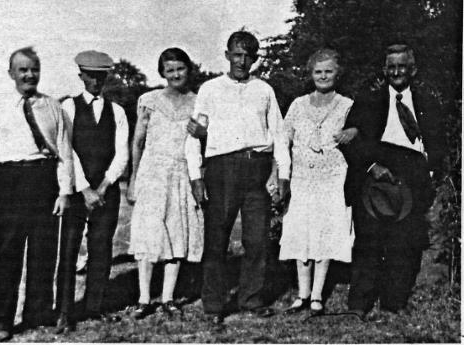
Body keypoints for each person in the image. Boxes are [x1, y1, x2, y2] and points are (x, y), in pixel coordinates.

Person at [0, 47, 73, 342]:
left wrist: (64, 192)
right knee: (7, 254)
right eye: (23, 70)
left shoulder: (54, 106)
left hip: (44, 181)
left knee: (43, 253)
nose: (30, 75)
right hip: (9, 182)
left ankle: (37, 312)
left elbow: (64, 151)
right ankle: (2, 320)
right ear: (11, 74)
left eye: (34, 69)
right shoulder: (0, 107)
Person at [187, 31, 287, 326]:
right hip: (221, 170)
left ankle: (251, 299)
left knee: (257, 240)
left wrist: (283, 175)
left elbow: (279, 135)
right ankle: (214, 304)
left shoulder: (264, 90)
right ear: (227, 54)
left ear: (255, 59)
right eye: (237, 54)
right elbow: (194, 136)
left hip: (257, 166)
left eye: (248, 56)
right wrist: (196, 177)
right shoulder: (209, 89)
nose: (242, 61)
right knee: (216, 239)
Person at [345, 44, 446, 319]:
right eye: (391, 66)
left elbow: (437, 140)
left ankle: (394, 301)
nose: (396, 72)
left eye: (402, 66)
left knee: (405, 243)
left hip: (412, 172)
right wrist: (371, 166)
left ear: (412, 69)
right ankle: (359, 303)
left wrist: (429, 170)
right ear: (384, 69)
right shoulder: (369, 99)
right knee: (369, 241)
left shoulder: (425, 100)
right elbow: (351, 138)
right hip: (377, 170)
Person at [278, 49, 357, 316]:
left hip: (332, 176)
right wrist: (283, 174)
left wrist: (352, 131)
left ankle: (316, 296)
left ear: (338, 73)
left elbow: (361, 130)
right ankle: (301, 294)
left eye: (328, 71)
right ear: (311, 74)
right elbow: (283, 138)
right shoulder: (298, 104)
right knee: (301, 233)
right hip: (302, 177)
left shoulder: (347, 104)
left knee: (324, 234)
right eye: (318, 72)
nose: (323, 76)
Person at [54, 50, 129, 333]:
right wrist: (85, 188)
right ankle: (64, 312)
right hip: (76, 189)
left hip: (106, 190)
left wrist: (104, 186)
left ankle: (94, 307)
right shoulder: (68, 108)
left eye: (101, 76)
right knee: (70, 249)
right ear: (81, 76)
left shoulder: (118, 112)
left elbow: (122, 154)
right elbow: (66, 150)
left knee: (101, 248)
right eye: (90, 76)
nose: (96, 82)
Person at [127, 48, 204, 320]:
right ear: (162, 73)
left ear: (188, 69)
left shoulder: (199, 102)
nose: (175, 74)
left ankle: (169, 297)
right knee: (149, 234)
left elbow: (203, 141)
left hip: (181, 174)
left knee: (177, 233)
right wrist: (134, 178)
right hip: (152, 174)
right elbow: (137, 142)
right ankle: (144, 298)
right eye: (169, 70)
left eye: (180, 68)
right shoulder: (149, 100)